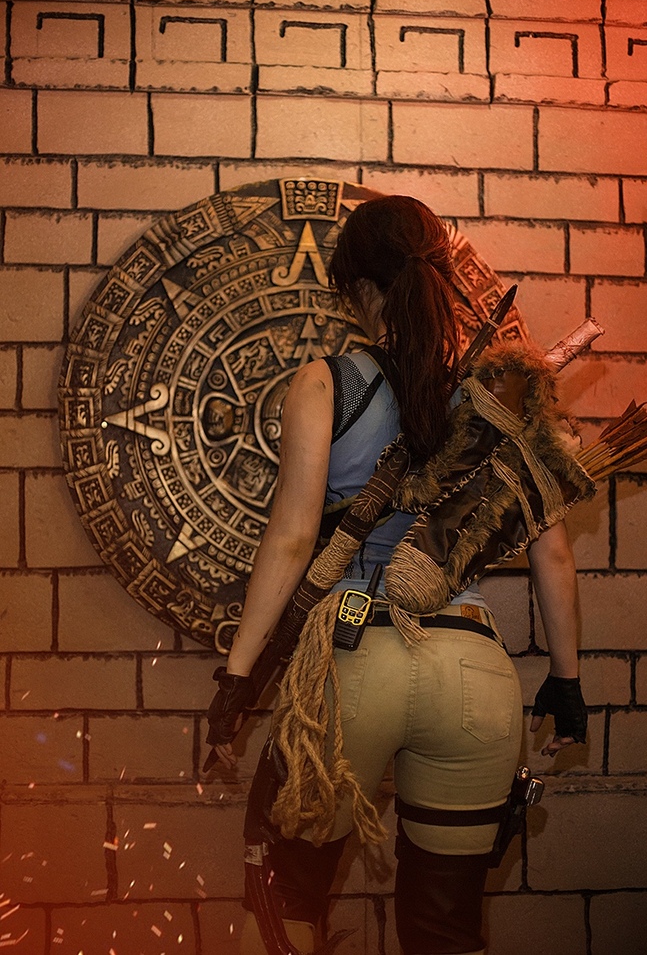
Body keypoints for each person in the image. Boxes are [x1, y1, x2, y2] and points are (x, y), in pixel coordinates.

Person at [211, 195, 587, 955]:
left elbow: (291, 540)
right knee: (446, 930)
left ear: (356, 287)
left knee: (285, 904)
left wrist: (238, 677)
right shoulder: (498, 396)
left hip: (356, 661)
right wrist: (567, 681)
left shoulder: (325, 384)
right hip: (474, 675)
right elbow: (551, 553)